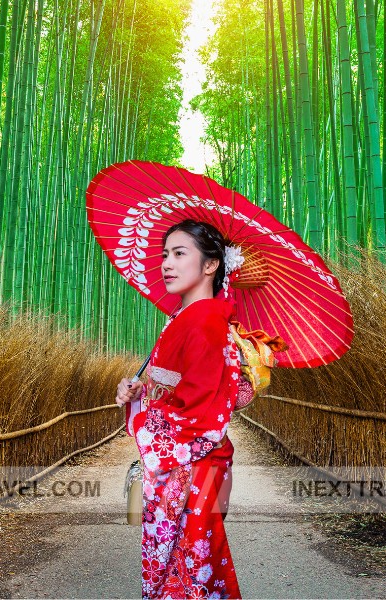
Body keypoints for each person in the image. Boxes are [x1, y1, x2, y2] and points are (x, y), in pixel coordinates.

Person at [115, 219, 242, 599]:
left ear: (211, 265)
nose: (166, 263)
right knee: (192, 570)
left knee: (187, 572)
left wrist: (143, 416)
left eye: (179, 253)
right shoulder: (184, 319)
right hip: (186, 463)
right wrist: (138, 391)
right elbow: (171, 390)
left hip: (192, 463)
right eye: (164, 255)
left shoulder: (204, 320)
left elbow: (200, 410)